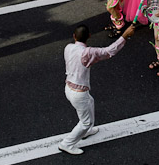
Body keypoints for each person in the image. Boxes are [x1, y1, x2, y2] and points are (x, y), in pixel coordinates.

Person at [58, 23, 136, 155]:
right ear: (89, 36)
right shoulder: (88, 53)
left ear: (74, 36)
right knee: (85, 121)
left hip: (68, 88)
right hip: (79, 93)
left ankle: (86, 131)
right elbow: (108, 51)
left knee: (90, 101)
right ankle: (66, 144)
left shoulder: (68, 47)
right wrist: (124, 36)